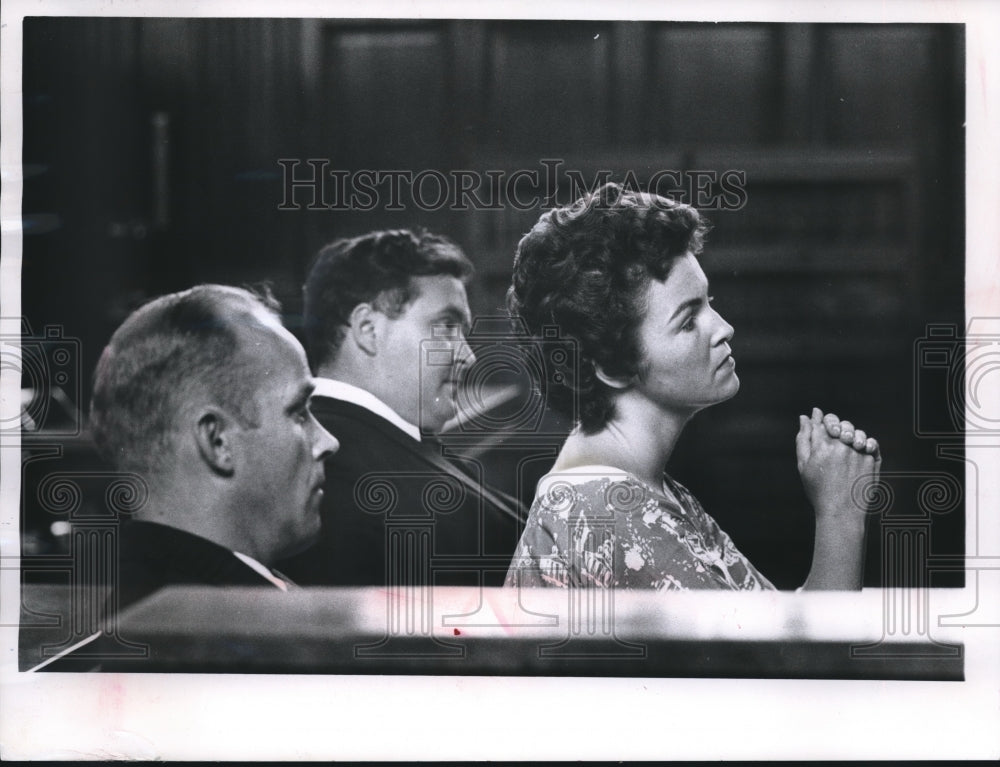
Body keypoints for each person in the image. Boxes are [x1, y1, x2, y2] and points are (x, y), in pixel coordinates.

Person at [503, 183, 882, 590]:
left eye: (709, 302)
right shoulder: (607, 513)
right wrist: (841, 512)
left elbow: (773, 630)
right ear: (611, 365)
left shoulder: (645, 493)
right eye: (687, 321)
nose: (724, 328)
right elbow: (810, 655)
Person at [277, 229, 525, 588]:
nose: (468, 357)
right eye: (445, 327)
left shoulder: (389, 446)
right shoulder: (332, 478)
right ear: (368, 330)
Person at [89, 284, 339, 610]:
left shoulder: (159, 603)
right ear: (217, 440)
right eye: (298, 412)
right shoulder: (215, 634)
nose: (328, 442)